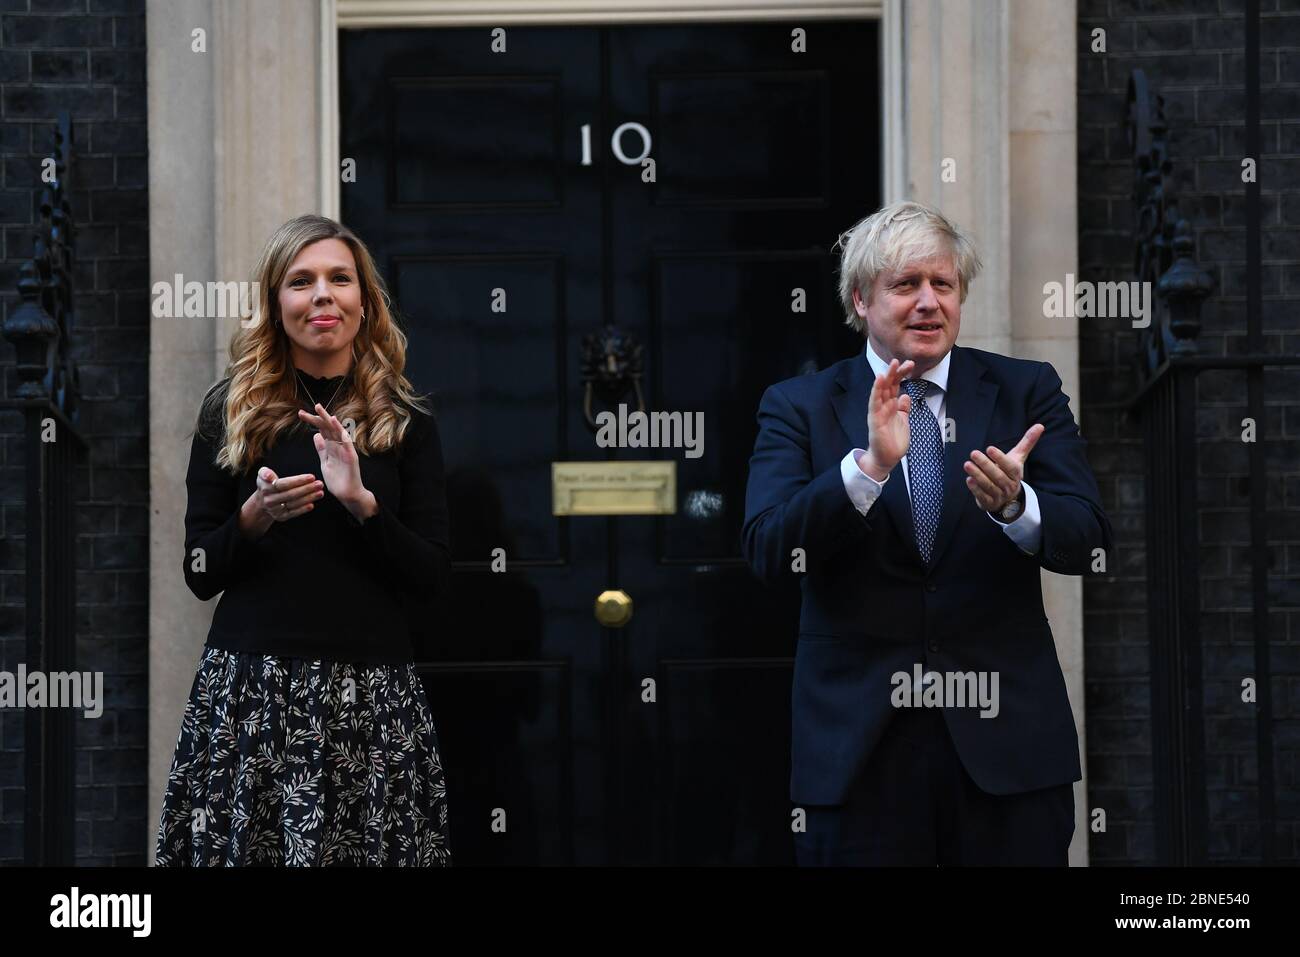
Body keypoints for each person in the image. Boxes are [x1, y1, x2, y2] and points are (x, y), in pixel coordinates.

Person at [742, 201, 1112, 866]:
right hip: (860, 760)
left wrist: (1017, 506)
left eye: (943, 284)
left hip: (1007, 760)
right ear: (860, 298)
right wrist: (866, 468)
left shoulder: (1025, 391)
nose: (927, 302)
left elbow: (1088, 537)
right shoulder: (797, 406)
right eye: (905, 284)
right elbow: (770, 547)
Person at [155, 214, 452, 866]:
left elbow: (431, 574)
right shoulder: (230, 413)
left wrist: (363, 504)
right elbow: (200, 568)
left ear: (364, 301)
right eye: (301, 280)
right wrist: (253, 518)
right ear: (275, 303)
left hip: (371, 693)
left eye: (339, 278)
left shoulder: (403, 422)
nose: (323, 294)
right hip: (254, 691)